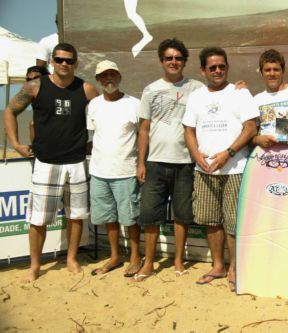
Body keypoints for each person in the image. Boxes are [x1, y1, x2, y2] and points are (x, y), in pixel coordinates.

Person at [4, 42, 99, 282]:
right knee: (38, 219)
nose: (64, 64)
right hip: (46, 163)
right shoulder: (35, 87)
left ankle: (71, 258)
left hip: (76, 162)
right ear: (51, 62)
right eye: (59, 60)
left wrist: (94, 142)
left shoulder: (87, 89)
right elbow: (9, 111)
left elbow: (103, 117)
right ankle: (35, 265)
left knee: (76, 215)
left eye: (69, 60)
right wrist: (15, 143)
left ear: (76, 63)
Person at [182, 47, 257, 291]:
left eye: (222, 66)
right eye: (212, 67)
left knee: (234, 222)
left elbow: (250, 128)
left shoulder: (240, 93)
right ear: (203, 69)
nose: (217, 70)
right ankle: (218, 266)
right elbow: (189, 130)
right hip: (204, 170)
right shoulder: (196, 97)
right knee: (210, 220)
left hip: (235, 169)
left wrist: (229, 153)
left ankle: (234, 269)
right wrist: (196, 155)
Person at [134, 38, 204, 282]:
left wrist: (238, 86)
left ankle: (177, 259)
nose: (173, 62)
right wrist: (141, 162)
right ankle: (149, 263)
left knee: (182, 215)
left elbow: (219, 95)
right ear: (161, 61)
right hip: (155, 162)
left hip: (185, 162)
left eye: (178, 58)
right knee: (150, 215)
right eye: (168, 58)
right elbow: (143, 129)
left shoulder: (197, 88)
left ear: (184, 61)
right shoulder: (151, 89)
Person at [86, 60, 142, 277]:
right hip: (99, 172)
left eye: (113, 74)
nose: (109, 79)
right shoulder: (94, 105)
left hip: (126, 172)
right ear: (98, 80)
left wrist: (141, 164)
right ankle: (115, 256)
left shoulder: (134, 104)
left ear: (119, 77)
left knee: (130, 218)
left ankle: (135, 257)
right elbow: (93, 137)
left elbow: (144, 136)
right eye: (104, 76)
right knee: (109, 217)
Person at [25, 66, 50, 144]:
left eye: (37, 78)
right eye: (29, 79)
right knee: (32, 124)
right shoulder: (33, 94)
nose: (33, 82)